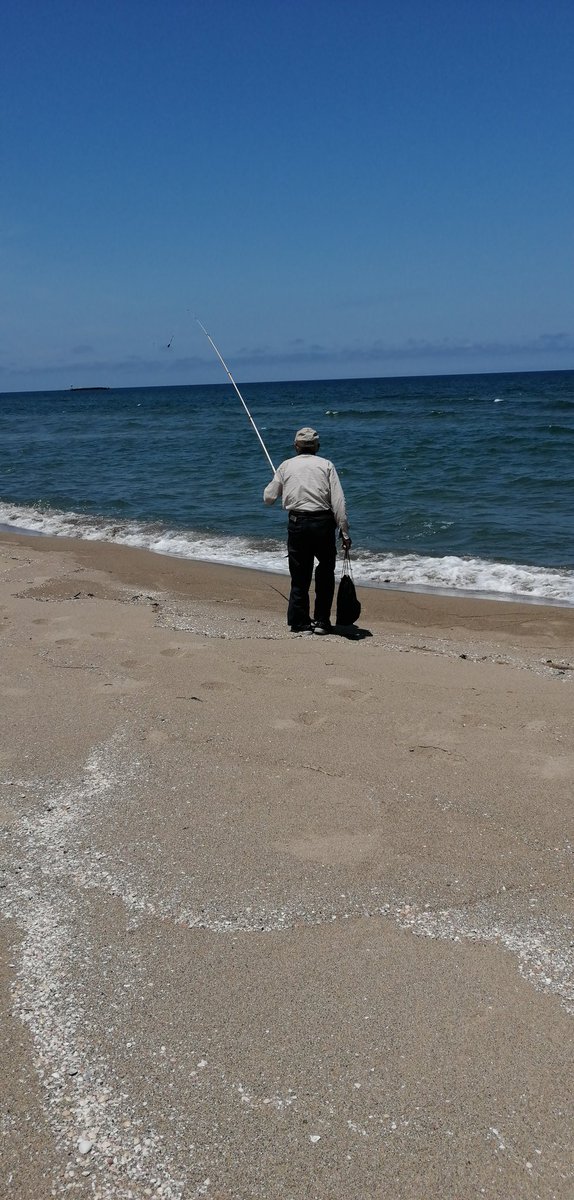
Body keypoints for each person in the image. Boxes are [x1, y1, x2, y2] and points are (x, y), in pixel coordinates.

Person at [263, 427, 352, 635]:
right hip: (323, 524)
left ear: (296, 446)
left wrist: (280, 481)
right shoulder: (326, 465)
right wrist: (345, 532)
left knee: (300, 574)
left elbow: (268, 498)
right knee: (325, 572)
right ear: (317, 446)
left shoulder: (286, 466)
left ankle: (300, 622)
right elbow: (339, 502)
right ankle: (321, 621)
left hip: (298, 524)